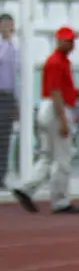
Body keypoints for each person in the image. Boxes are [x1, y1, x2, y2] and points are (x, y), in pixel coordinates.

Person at [12, 26, 79, 214]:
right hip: (55, 109)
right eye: (68, 40)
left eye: (72, 40)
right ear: (59, 41)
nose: (71, 43)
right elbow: (55, 91)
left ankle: (27, 188)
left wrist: (74, 93)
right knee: (63, 157)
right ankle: (60, 200)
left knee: (47, 155)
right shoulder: (56, 62)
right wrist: (62, 119)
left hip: (48, 108)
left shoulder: (60, 61)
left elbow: (60, 89)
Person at [0, 13, 17, 189]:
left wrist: (17, 101)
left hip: (8, 96)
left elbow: (16, 75)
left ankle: (1, 175)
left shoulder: (14, 47)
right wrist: (5, 40)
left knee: (5, 138)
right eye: (5, 24)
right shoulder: (3, 46)